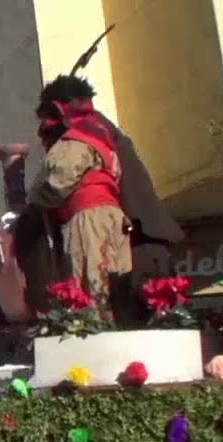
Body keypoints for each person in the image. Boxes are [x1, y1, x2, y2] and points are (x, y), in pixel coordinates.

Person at [28, 74, 133, 322]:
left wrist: (34, 200)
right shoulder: (101, 134)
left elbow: (59, 183)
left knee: (88, 290)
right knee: (113, 288)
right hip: (113, 218)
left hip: (87, 220)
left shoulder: (74, 139)